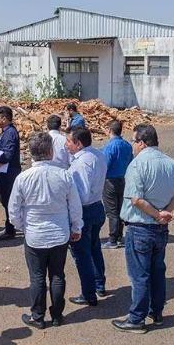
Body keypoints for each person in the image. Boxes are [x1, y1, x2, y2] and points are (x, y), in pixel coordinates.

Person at [112, 124, 174, 334]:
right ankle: (157, 312)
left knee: (140, 275)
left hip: (141, 227)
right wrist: (165, 213)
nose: (132, 145)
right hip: (160, 229)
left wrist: (157, 214)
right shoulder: (171, 163)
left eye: (134, 141)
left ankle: (136, 319)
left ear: (142, 143)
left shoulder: (137, 165)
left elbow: (136, 199)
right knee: (157, 271)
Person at [8, 133, 83, 329]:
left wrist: (22, 226)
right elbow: (74, 206)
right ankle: (57, 315)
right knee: (57, 275)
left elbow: (13, 210)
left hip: (35, 235)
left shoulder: (23, 178)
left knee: (37, 277)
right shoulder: (64, 175)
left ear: (31, 153)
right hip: (59, 233)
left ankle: (37, 316)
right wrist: (76, 227)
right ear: (51, 152)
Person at [65, 127, 108, 305]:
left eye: (68, 141)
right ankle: (99, 285)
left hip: (86, 210)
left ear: (78, 143)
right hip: (97, 206)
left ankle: (88, 293)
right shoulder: (98, 155)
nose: (66, 145)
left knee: (82, 254)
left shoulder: (81, 164)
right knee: (94, 248)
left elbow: (80, 196)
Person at [101, 120, 133, 249]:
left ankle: (112, 239)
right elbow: (130, 161)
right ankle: (119, 237)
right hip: (122, 180)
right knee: (120, 209)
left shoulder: (110, 146)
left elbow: (105, 165)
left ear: (109, 130)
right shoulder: (127, 145)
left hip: (110, 181)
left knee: (112, 211)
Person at [0, 106, 21, 240]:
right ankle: (11, 227)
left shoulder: (10, 133)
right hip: (4, 172)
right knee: (6, 200)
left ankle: (11, 229)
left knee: (8, 200)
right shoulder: (5, 132)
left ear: (4, 119)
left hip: (9, 172)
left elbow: (8, 154)